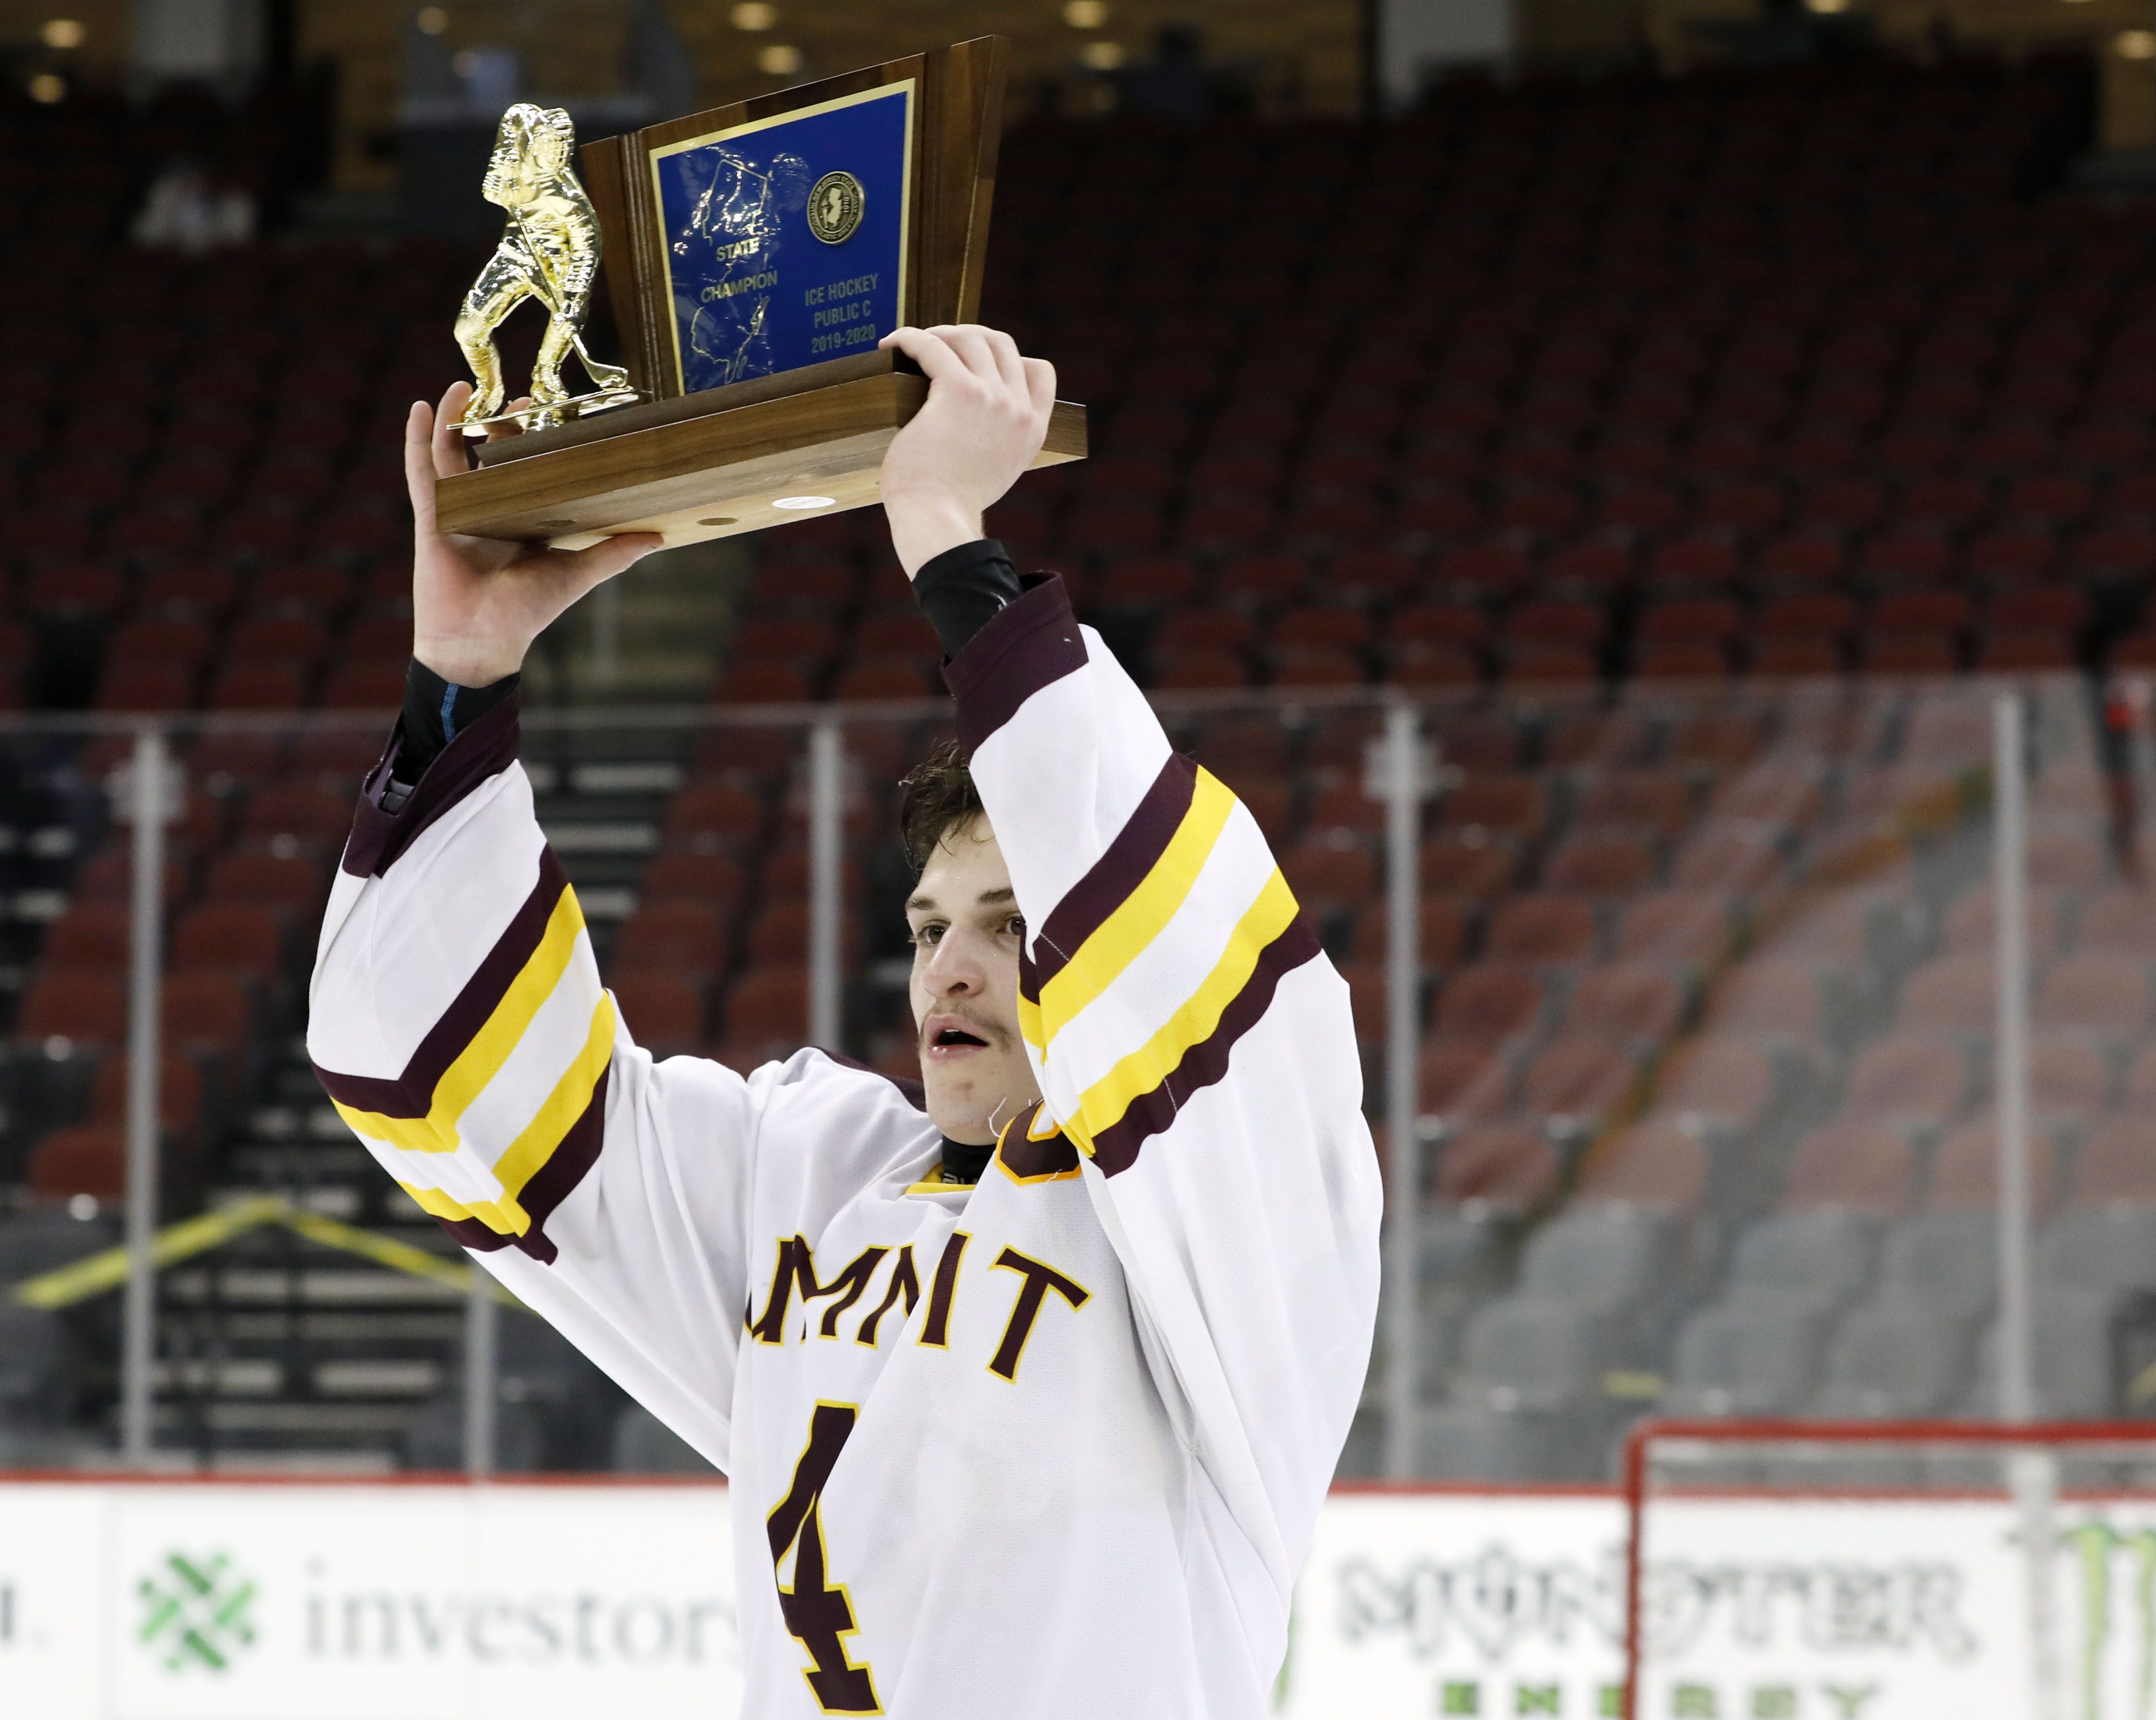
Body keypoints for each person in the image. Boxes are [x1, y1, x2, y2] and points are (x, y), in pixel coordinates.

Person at [307, 324, 1382, 1716]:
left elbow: (1194, 981)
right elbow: (436, 1074)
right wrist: (459, 680)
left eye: (1011, 924)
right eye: (933, 927)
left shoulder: (1228, 1252)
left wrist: (948, 540)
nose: (949, 968)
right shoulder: (805, 1181)